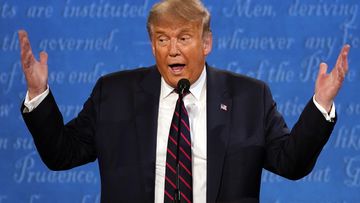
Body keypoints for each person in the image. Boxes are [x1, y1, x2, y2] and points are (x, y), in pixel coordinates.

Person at [18, 0, 350, 202]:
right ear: (152, 45)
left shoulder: (250, 97)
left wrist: (320, 104)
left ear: (206, 43)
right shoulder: (114, 93)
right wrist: (38, 95)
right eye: (162, 39)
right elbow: (61, 154)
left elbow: (290, 164)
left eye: (183, 38)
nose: (173, 49)